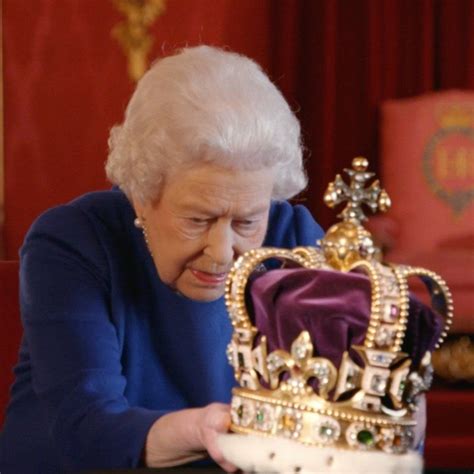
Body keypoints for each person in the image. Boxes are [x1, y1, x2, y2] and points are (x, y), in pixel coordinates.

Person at [0, 45, 324, 473]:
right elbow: (87, 425)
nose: (222, 253)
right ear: (141, 194)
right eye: (197, 219)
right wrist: (203, 432)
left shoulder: (294, 239)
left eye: (247, 222)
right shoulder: (72, 243)